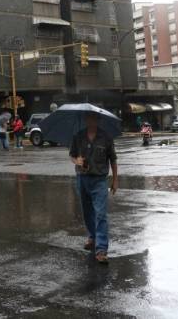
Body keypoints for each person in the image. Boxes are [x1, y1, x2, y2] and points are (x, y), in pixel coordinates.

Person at [69, 112, 118, 264]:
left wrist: (115, 180)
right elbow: (71, 155)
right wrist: (76, 160)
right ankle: (92, 236)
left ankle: (101, 249)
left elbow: (113, 159)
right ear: (85, 119)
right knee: (87, 212)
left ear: (98, 119)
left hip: (99, 181)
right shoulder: (78, 136)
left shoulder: (106, 137)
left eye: (94, 118)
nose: (91, 120)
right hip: (82, 179)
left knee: (100, 214)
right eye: (88, 117)